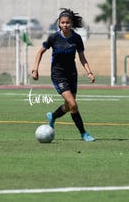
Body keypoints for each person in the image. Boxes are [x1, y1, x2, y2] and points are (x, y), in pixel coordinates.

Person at [31, 8, 96, 142]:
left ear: (71, 23)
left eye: (67, 22)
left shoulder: (77, 38)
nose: (65, 25)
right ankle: (84, 133)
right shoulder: (53, 38)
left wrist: (89, 72)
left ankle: (53, 116)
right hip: (58, 74)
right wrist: (35, 69)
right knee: (73, 104)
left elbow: (82, 57)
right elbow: (40, 52)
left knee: (68, 106)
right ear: (59, 24)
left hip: (72, 74)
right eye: (62, 22)